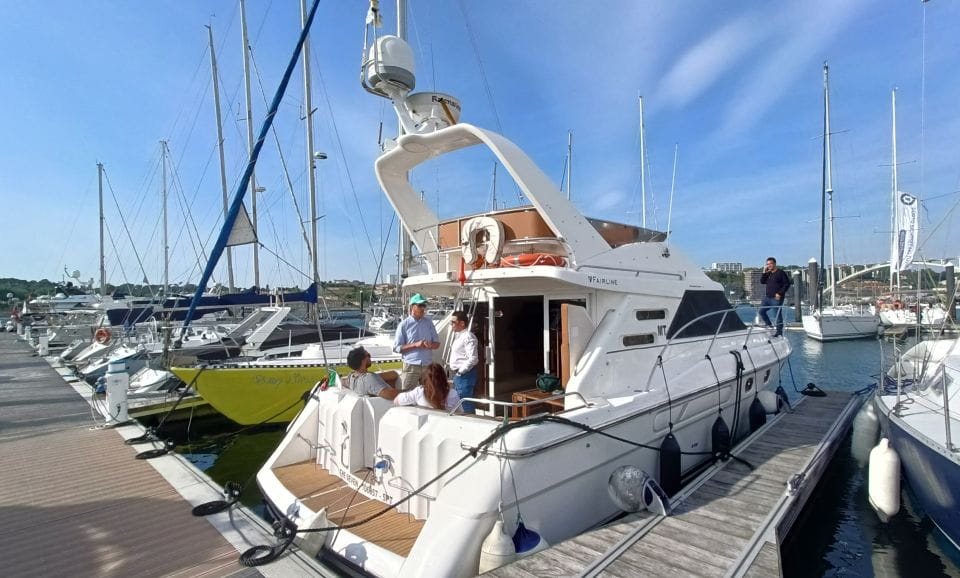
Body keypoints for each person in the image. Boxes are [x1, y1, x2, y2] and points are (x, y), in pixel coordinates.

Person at [393, 293, 440, 390]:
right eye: (420, 305)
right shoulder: (404, 325)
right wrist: (416, 345)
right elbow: (397, 348)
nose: (423, 308)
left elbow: (437, 344)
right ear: (412, 307)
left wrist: (430, 345)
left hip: (427, 365)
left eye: (424, 305)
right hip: (411, 366)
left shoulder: (429, 323)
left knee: (429, 395)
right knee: (407, 395)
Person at [394, 362, 460, 411]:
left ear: (425, 378)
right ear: (444, 377)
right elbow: (460, 412)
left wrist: (413, 401)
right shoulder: (453, 393)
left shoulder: (419, 391)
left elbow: (397, 400)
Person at [447, 310, 479, 413]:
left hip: (464, 375)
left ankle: (472, 423)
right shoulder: (459, 336)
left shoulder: (468, 336)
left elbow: (473, 358)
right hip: (460, 375)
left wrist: (461, 372)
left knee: (465, 402)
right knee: (461, 401)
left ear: (462, 323)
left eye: (453, 322)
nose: (451, 324)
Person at [759, 257, 791, 337]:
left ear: (775, 264)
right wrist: (764, 272)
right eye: (767, 264)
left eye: (770, 264)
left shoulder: (781, 273)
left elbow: (787, 284)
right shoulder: (768, 273)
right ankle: (769, 325)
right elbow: (762, 281)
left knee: (777, 315)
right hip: (767, 298)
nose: (769, 265)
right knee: (761, 311)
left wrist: (780, 293)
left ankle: (779, 332)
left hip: (776, 298)